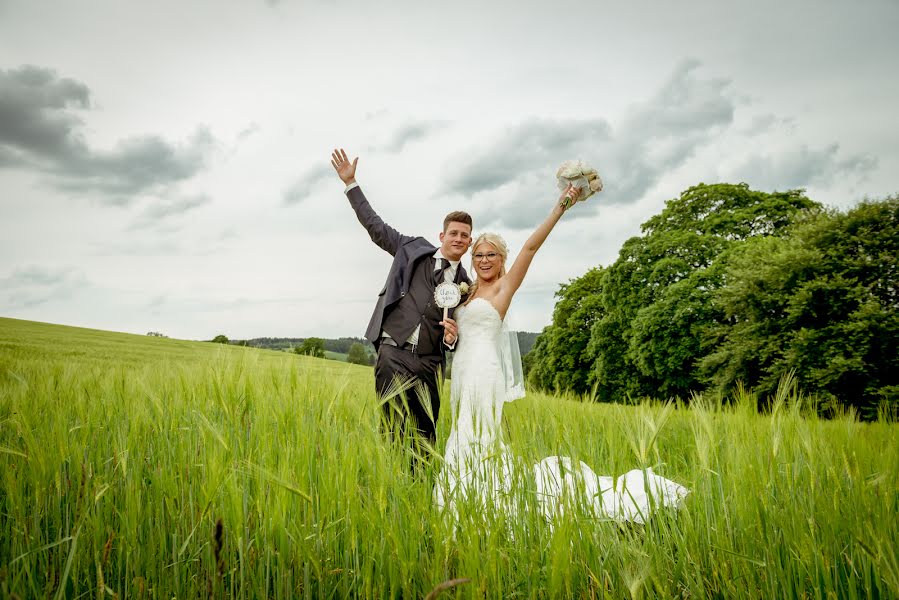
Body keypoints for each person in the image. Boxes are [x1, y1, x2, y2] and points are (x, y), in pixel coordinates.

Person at [436, 183, 689, 524]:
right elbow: (456, 337)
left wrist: (561, 206)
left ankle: (480, 500)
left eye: (491, 254)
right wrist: (451, 335)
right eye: (478, 255)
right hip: (463, 371)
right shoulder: (464, 293)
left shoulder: (503, 286)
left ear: (501, 259)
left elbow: (530, 247)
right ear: (472, 259)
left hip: (485, 372)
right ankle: (463, 494)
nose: (484, 260)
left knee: (476, 433)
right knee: (461, 431)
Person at [330, 148, 472, 458]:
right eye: (454, 233)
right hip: (393, 352)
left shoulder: (467, 286)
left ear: (470, 242)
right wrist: (351, 184)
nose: (459, 239)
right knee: (392, 430)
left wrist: (451, 340)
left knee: (424, 436)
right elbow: (376, 228)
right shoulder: (412, 249)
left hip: (430, 363)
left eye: (465, 235)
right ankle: (392, 490)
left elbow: (462, 335)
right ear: (442, 235)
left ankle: (420, 492)